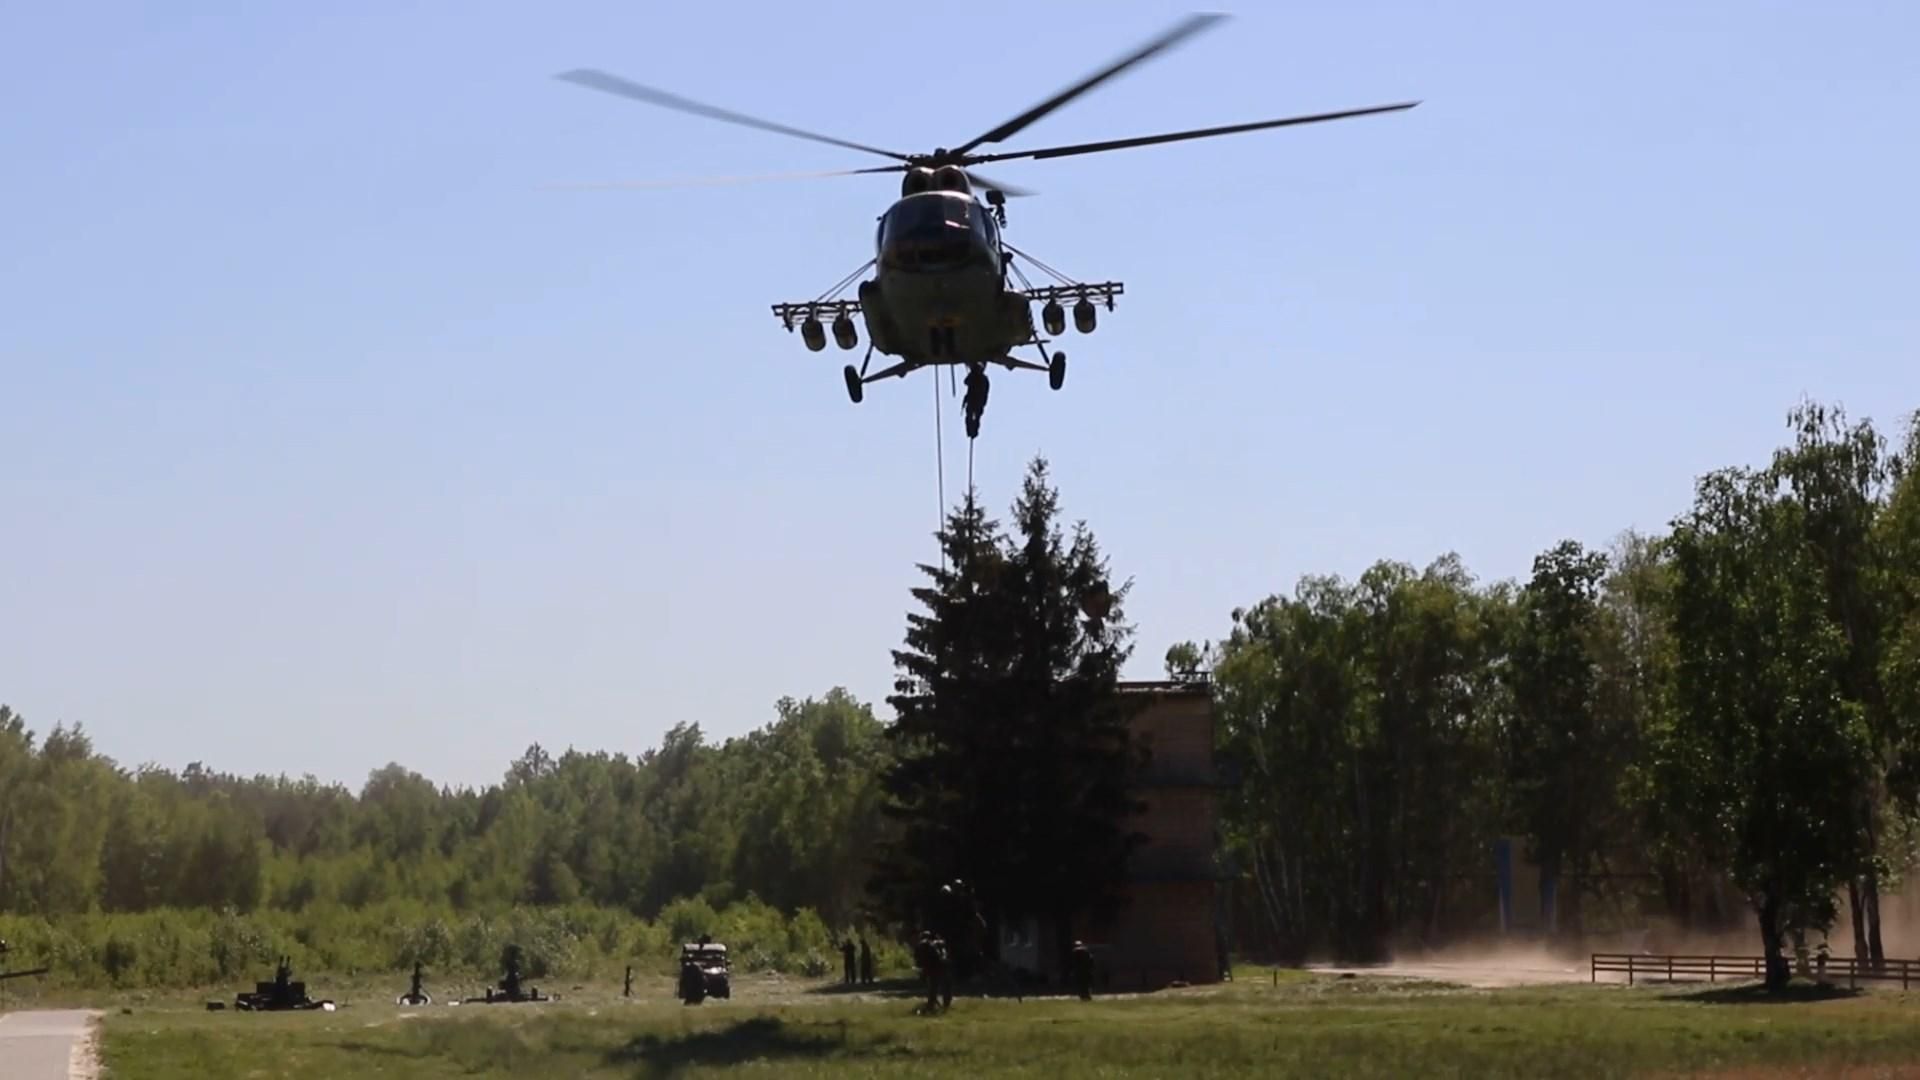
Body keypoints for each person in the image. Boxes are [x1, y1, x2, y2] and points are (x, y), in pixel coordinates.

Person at [962, 364, 989, 439]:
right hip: (977, 402)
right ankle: (972, 432)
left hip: (975, 401)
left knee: (972, 417)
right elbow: (966, 382)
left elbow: (966, 382)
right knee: (974, 417)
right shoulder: (983, 379)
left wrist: (972, 374)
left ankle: (972, 432)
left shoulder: (979, 378)